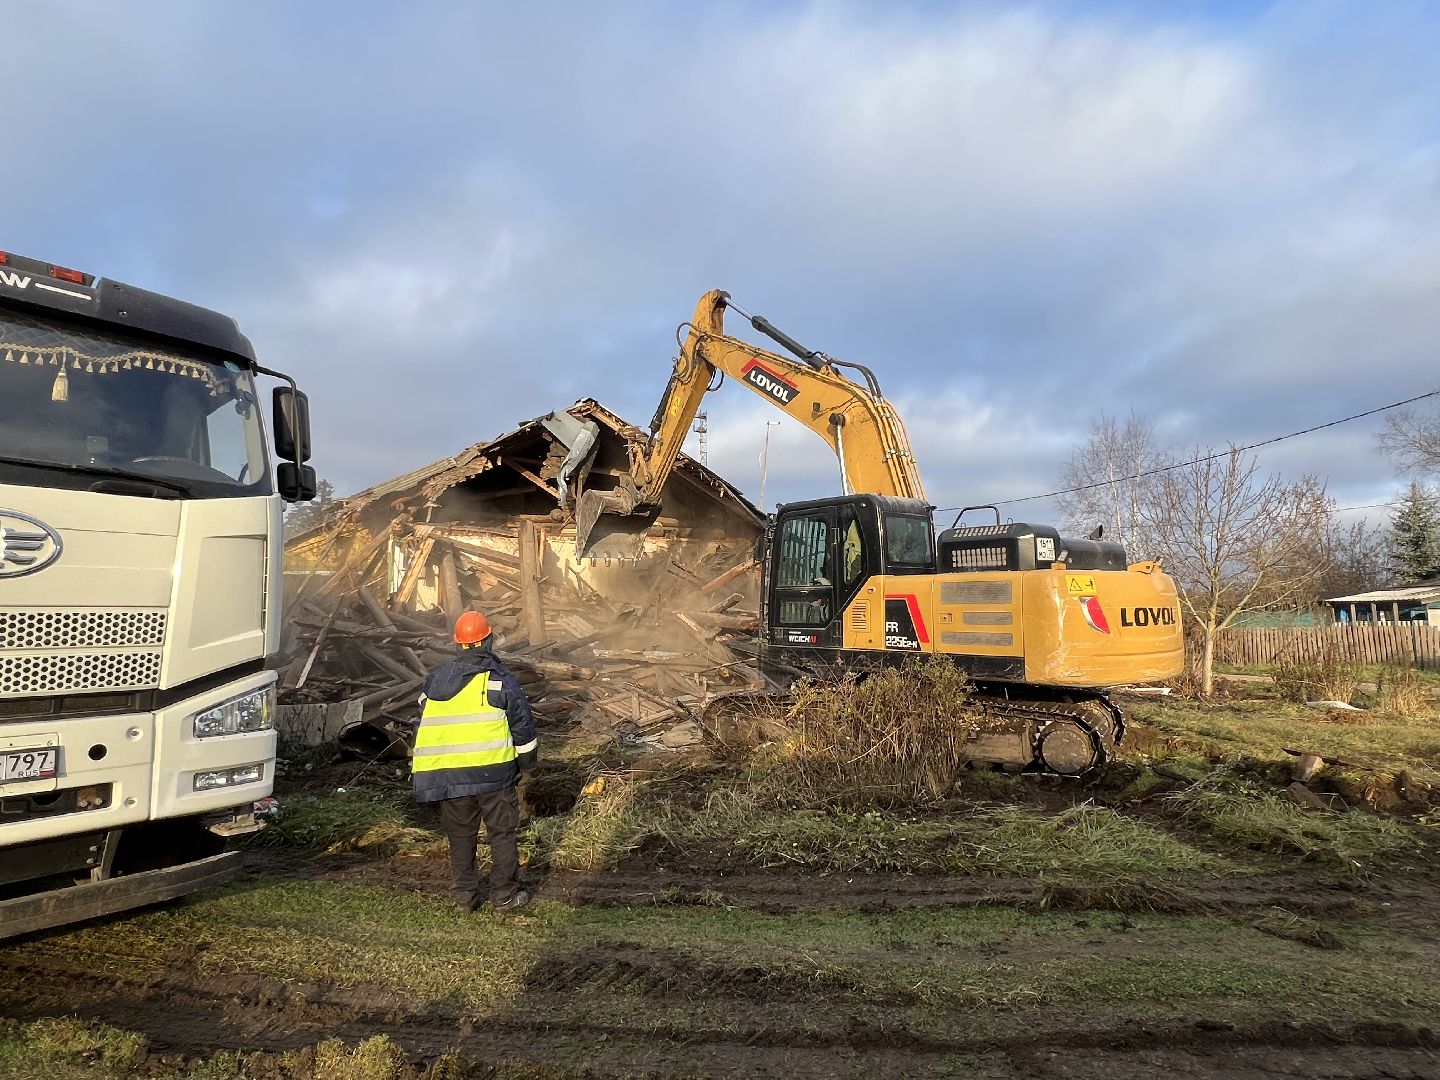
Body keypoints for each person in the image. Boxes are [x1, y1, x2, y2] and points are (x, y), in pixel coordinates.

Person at [413, 610, 538, 914]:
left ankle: (465, 899)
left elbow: (422, 719)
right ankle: (505, 897)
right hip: (494, 773)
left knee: (460, 837)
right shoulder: (497, 680)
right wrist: (527, 766)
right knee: (502, 834)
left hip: (449, 775)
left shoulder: (435, 682)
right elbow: (522, 726)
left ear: (458, 644)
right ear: (488, 638)